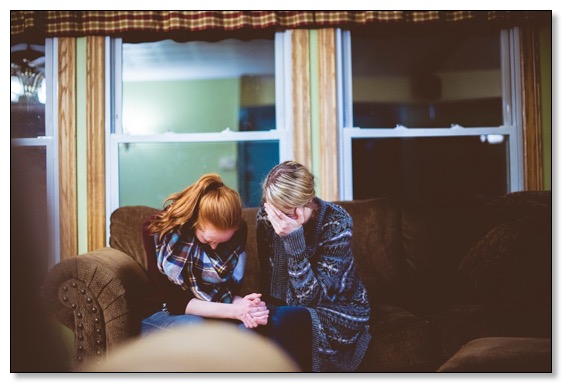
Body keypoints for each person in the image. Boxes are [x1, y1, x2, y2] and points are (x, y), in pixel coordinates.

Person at [256, 161, 371, 372]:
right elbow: (271, 282)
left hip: (338, 308)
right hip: (289, 306)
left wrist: (294, 240)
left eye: (287, 213)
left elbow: (310, 300)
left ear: (308, 201)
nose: (279, 221)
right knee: (257, 322)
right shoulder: (266, 218)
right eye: (276, 212)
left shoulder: (337, 222)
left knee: (285, 320)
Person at [141, 173, 269, 335]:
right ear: (194, 223)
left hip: (212, 311)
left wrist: (247, 306)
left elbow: (227, 293)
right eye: (208, 240)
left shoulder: (238, 232)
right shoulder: (157, 230)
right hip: (163, 312)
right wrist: (235, 311)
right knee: (197, 328)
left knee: (250, 331)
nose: (214, 248)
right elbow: (176, 302)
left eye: (221, 242)